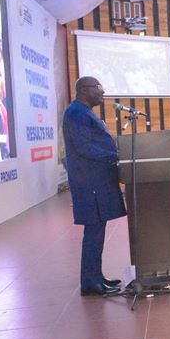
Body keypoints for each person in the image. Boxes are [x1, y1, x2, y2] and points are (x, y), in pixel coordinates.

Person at [62, 77, 126, 296]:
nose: (103, 92)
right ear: (84, 90)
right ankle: (90, 282)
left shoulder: (82, 111)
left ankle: (96, 277)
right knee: (93, 232)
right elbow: (83, 147)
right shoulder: (76, 113)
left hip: (95, 180)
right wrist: (114, 156)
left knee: (97, 232)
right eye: (99, 89)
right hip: (89, 182)